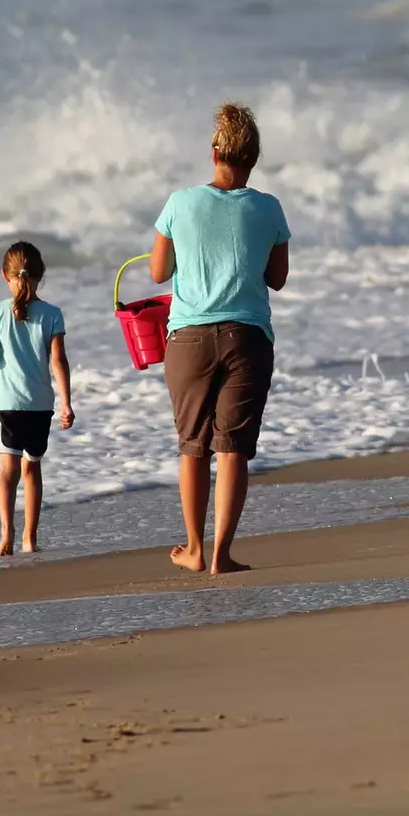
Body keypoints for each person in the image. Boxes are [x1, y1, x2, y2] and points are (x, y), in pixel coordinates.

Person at [149, 103, 291, 574]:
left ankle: (192, 547)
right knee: (232, 447)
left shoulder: (180, 203)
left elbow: (157, 272)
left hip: (188, 339)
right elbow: (277, 278)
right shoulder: (269, 208)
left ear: (215, 152)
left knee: (192, 445)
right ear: (253, 158)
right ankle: (220, 555)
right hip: (248, 337)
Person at [0, 241, 73, 556]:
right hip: (40, 406)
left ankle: (6, 535)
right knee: (32, 470)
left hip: (9, 404)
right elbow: (58, 362)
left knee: (7, 473)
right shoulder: (52, 314)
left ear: (4, 275)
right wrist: (66, 401)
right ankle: (30, 538)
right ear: (41, 275)